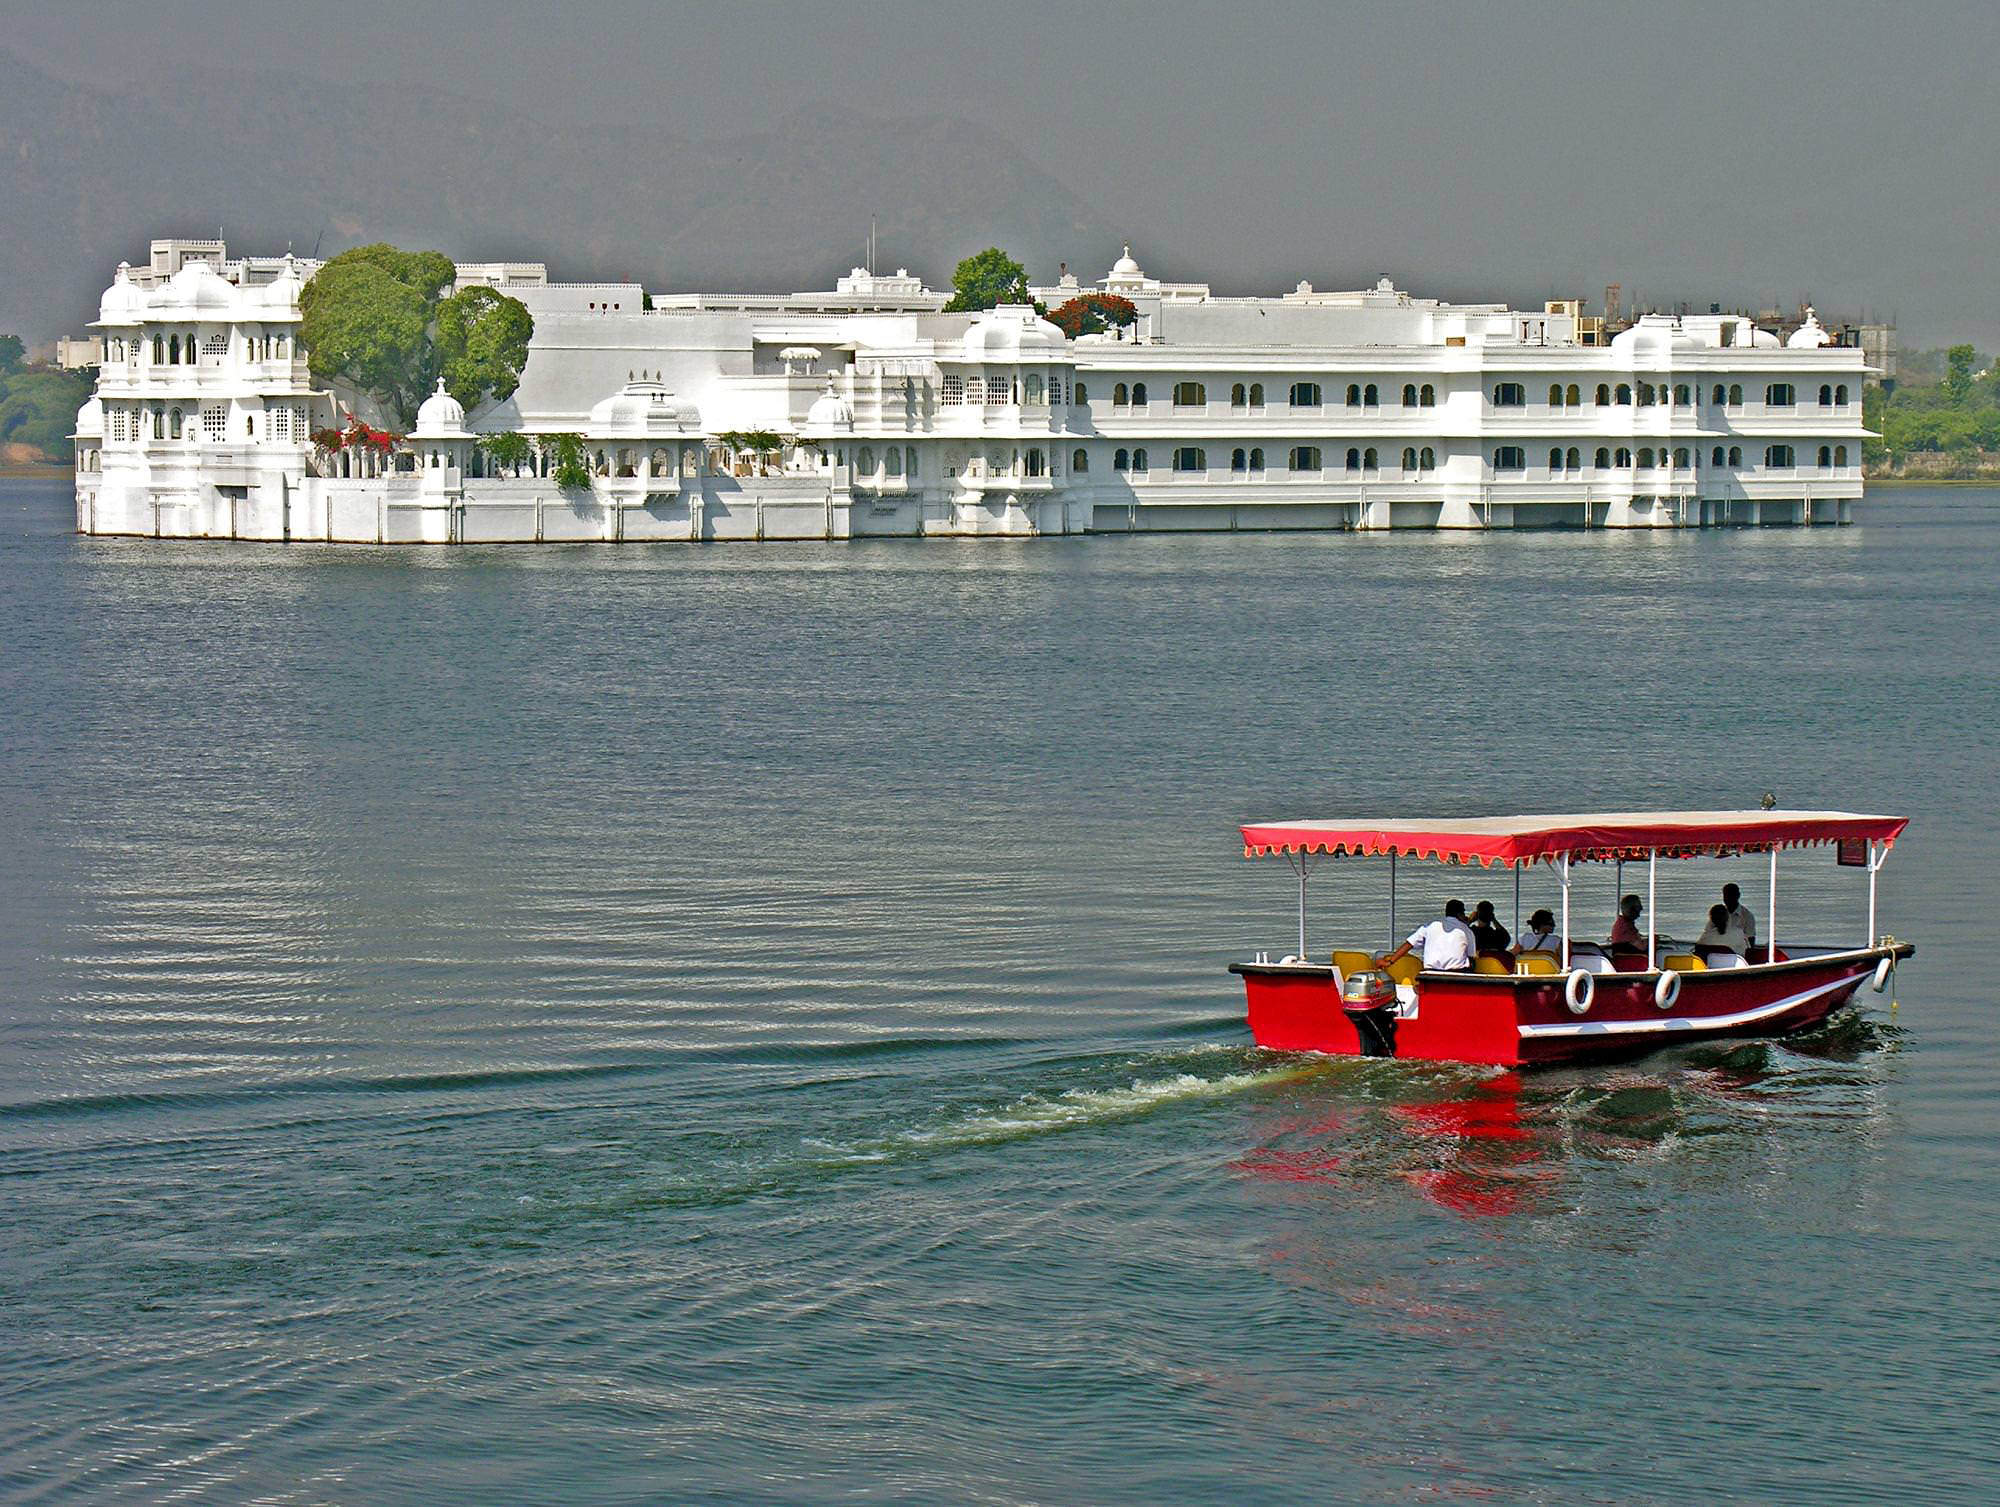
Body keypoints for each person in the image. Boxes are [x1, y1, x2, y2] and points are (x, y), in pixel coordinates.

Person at [1376, 899, 1475, 973]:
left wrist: (1390, 962)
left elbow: (1409, 944)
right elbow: (1471, 956)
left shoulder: (1430, 926)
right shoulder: (1466, 931)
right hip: (1457, 975)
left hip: (1430, 975)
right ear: (1460, 914)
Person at [1721, 883, 1757, 956]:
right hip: (1719, 952)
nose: (1727, 899)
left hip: (1738, 954)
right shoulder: (1719, 913)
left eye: (1730, 896)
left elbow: (1750, 943)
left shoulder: (1747, 916)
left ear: (1738, 896)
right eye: (1725, 896)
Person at [1605, 893, 1646, 958]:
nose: (1641, 908)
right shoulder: (1625, 927)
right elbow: (1641, 947)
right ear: (1632, 909)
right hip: (1633, 961)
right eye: (1639, 906)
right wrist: (1652, 940)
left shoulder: (1622, 923)